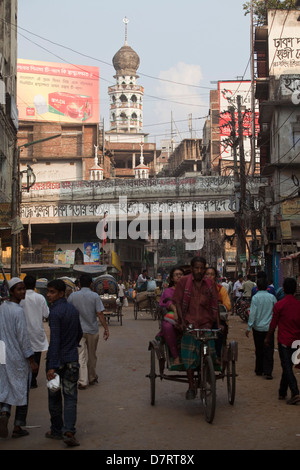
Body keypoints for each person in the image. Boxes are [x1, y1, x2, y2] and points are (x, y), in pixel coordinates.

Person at [172, 256, 219, 400]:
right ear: (192, 269)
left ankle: (209, 371)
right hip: (189, 323)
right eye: (196, 268)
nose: (199, 271)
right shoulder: (183, 282)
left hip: (206, 323)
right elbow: (178, 303)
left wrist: (218, 323)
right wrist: (181, 321)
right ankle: (191, 385)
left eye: (202, 268)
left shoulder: (210, 284)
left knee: (210, 350)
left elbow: (214, 306)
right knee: (189, 355)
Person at [45, 279, 82, 447]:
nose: (48, 295)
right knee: (70, 398)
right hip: (72, 361)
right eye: (48, 291)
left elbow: (55, 341)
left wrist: (51, 366)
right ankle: (69, 430)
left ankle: (57, 429)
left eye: (52, 292)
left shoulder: (55, 313)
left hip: (57, 362)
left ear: (61, 293)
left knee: (54, 398)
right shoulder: (72, 310)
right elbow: (79, 333)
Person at [0, 277, 38, 439]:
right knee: (22, 389)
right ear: (11, 292)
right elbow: (23, 338)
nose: (22, 292)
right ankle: (18, 426)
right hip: (17, 357)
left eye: (23, 288)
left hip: (3, 355)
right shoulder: (17, 311)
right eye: (19, 289)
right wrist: (31, 359)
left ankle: (4, 412)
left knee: (6, 387)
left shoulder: (2, 308)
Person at [68, 274, 109, 390]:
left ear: (79, 284)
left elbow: (69, 312)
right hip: (92, 330)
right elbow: (100, 313)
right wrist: (106, 328)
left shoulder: (72, 296)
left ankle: (82, 381)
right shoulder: (95, 296)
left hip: (78, 331)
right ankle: (91, 377)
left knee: (80, 356)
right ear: (91, 284)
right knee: (92, 355)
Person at [265, 277, 300, 404]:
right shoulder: (298, 305)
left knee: (287, 367)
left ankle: (295, 392)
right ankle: (282, 392)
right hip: (297, 342)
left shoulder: (279, 305)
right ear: (295, 289)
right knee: (288, 366)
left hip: (284, 341)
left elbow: (273, 324)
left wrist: (268, 338)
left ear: (283, 289)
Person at [20, 275, 49, 388]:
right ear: (35, 285)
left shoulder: (20, 298)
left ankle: (26, 379)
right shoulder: (40, 298)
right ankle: (33, 380)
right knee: (36, 357)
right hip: (37, 331)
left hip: (23, 332)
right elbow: (46, 314)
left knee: (24, 357)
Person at [246, 277, 277, 379]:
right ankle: (268, 372)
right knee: (268, 350)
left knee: (259, 349)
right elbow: (276, 312)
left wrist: (249, 327)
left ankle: (259, 370)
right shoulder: (272, 298)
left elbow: (253, 314)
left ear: (258, 287)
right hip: (269, 329)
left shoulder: (255, 298)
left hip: (257, 328)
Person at [156, 266, 185, 365]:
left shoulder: (188, 289)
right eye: (176, 275)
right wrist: (175, 310)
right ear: (172, 278)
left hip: (188, 315)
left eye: (181, 275)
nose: (179, 277)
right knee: (167, 326)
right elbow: (168, 302)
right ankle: (175, 357)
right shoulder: (168, 291)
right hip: (172, 316)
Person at [206, 267, 231, 362]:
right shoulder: (199, 289)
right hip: (203, 319)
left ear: (215, 276)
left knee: (219, 332)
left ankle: (217, 355)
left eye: (211, 274)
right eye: (207, 274)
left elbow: (228, 306)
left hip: (218, 319)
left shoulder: (221, 290)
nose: (209, 276)